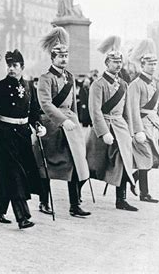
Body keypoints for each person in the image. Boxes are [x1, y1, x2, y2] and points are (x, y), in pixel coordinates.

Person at [0, 49, 46, 229]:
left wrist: (38, 125)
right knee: (14, 174)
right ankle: (22, 216)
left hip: (23, 135)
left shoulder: (29, 87)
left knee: (7, 175)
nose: (11, 69)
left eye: (15, 65)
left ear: (22, 67)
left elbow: (34, 112)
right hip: (4, 135)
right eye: (9, 65)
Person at [34, 26, 91, 217]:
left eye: (66, 56)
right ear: (53, 58)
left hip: (70, 126)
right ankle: (43, 202)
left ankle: (74, 205)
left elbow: (73, 104)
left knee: (76, 164)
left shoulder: (70, 77)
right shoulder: (45, 78)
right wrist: (62, 120)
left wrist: (74, 121)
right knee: (47, 167)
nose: (64, 59)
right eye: (60, 56)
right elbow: (45, 104)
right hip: (51, 127)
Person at [87, 36, 137, 211]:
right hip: (103, 129)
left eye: (119, 62)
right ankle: (76, 195)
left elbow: (127, 111)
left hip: (120, 128)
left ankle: (121, 200)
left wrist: (131, 132)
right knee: (92, 165)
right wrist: (103, 131)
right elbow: (95, 111)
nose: (118, 65)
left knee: (122, 162)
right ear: (106, 63)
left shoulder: (124, 85)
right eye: (114, 62)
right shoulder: (97, 85)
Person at [128, 38, 159, 203]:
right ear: (142, 66)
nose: (153, 67)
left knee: (154, 157)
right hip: (142, 124)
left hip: (154, 124)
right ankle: (144, 193)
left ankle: (132, 178)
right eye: (149, 64)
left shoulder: (154, 83)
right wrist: (137, 130)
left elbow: (153, 105)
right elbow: (133, 109)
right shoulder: (135, 84)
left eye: (155, 64)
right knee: (145, 157)